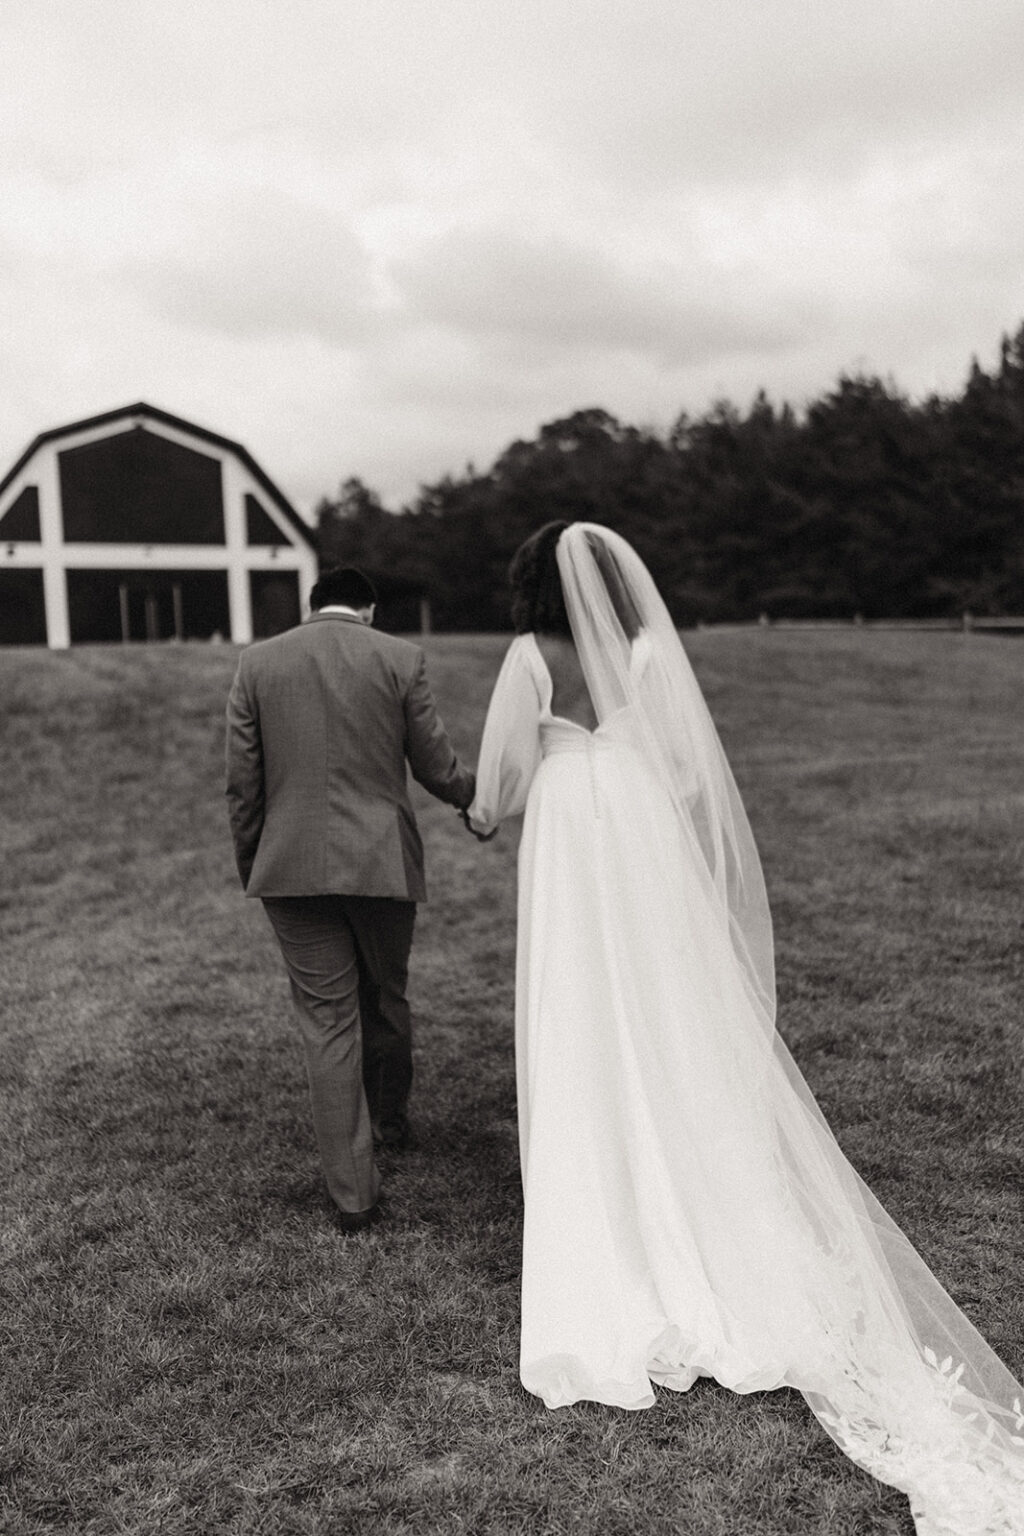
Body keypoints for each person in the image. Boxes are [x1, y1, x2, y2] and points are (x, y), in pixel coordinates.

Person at [467, 521, 1024, 1534]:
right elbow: (687, 775)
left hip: (562, 830)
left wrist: (487, 802)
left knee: (577, 1012)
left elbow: (497, 784)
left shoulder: (525, 657)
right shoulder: (641, 653)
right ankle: (698, 1189)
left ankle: (606, 1208)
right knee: (667, 1008)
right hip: (632, 828)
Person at [225, 566, 475, 1231]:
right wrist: (472, 799)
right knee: (385, 995)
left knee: (327, 1018)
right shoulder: (399, 656)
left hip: (290, 866)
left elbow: (242, 785)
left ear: (312, 607)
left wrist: (258, 863)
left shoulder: (257, 663)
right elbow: (434, 763)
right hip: (381, 862)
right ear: (366, 608)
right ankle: (389, 1121)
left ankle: (353, 1196)